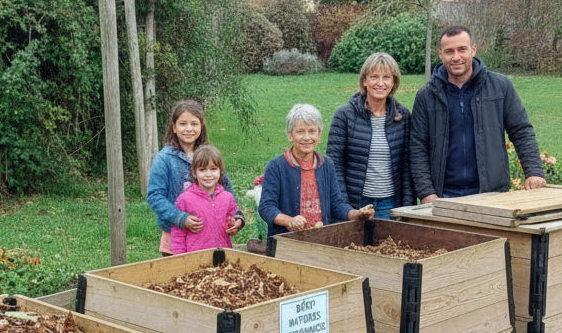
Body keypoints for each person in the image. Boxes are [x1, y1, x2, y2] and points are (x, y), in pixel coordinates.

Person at [410, 25, 546, 203]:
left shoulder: (500, 86)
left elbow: (521, 131)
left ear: (473, 50)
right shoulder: (426, 95)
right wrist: (427, 193)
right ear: (440, 54)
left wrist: (534, 172)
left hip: (492, 193)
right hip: (444, 195)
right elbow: (418, 147)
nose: (456, 57)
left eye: (462, 49)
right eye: (449, 51)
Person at [259, 103, 370, 239]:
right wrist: (289, 221)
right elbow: (266, 207)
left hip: (321, 238)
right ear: (290, 135)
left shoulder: (326, 164)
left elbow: (336, 204)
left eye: (312, 131)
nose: (307, 137)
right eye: (300, 132)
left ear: (319, 134)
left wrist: (354, 214)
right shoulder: (277, 166)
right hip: (287, 241)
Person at [146, 99, 244, 255]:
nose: (189, 129)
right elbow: (154, 196)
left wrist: (237, 217)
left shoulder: (208, 155)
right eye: (183, 124)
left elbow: (226, 189)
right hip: (176, 239)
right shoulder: (164, 158)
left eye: (194, 124)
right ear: (174, 127)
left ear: (201, 126)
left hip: (211, 237)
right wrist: (180, 218)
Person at [326, 52, 415, 220]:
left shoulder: (403, 116)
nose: (380, 83)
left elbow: (407, 167)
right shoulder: (344, 115)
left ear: (394, 82)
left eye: (386, 77)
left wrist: (407, 208)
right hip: (355, 203)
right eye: (374, 77)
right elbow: (334, 165)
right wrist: (344, 207)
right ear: (364, 81)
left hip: (389, 204)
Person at [170, 145, 241, 254]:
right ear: (194, 172)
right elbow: (177, 234)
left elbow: (234, 217)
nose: (208, 174)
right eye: (202, 170)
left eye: (213, 169)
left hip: (223, 256)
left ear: (220, 171)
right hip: (195, 259)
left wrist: (234, 224)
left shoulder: (227, 197)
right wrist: (180, 259)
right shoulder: (184, 200)